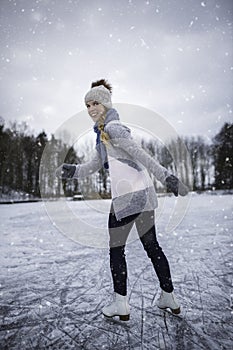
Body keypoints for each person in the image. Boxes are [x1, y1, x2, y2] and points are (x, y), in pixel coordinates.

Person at [56, 79, 188, 321]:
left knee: (117, 250)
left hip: (128, 198)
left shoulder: (114, 128)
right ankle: (168, 296)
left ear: (106, 104)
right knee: (152, 247)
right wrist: (73, 170)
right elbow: (94, 165)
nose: (91, 108)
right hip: (144, 197)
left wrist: (167, 176)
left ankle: (121, 303)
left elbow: (141, 154)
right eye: (87, 104)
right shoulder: (103, 135)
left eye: (96, 103)